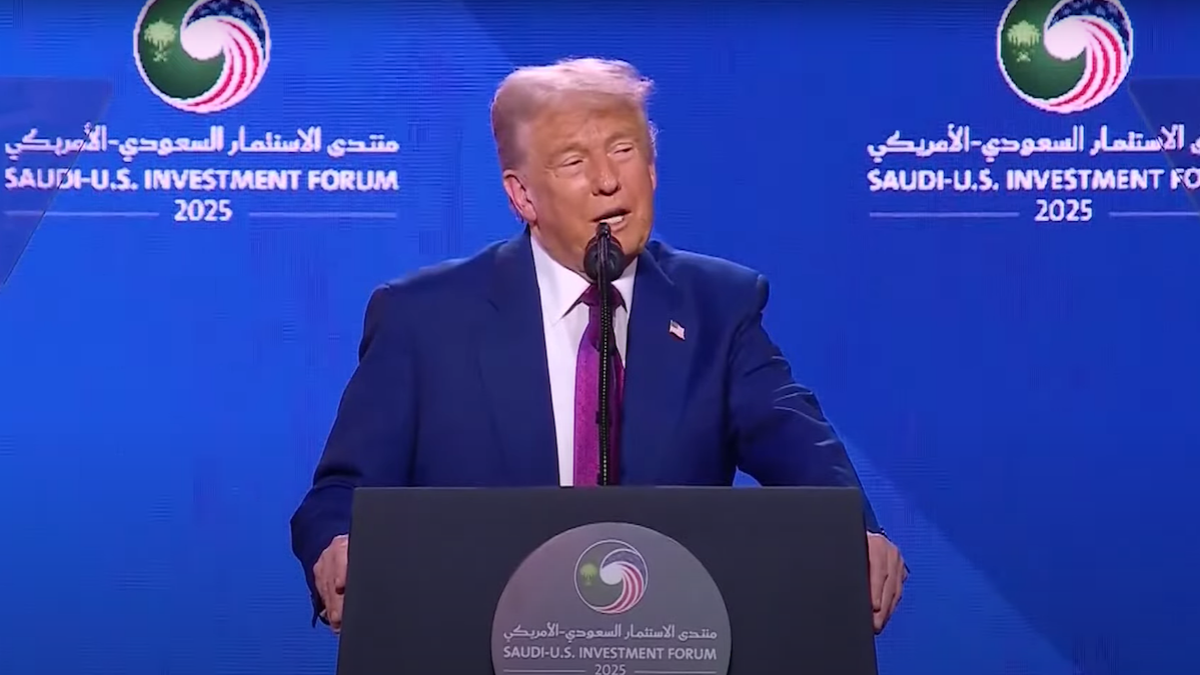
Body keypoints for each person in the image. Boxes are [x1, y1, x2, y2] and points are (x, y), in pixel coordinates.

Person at [290, 57, 906, 635]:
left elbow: (799, 446)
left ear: (652, 169)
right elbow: (338, 497)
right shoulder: (424, 319)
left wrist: (854, 531)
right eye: (574, 161)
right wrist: (336, 546)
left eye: (624, 150)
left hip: (670, 641)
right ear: (522, 196)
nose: (608, 181)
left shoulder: (718, 306)